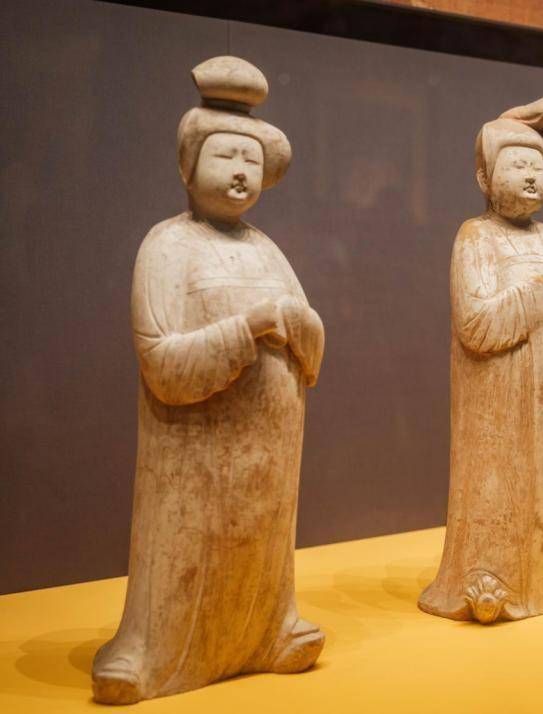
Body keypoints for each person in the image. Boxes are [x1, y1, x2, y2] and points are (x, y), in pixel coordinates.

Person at [92, 56, 324, 704]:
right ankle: (150, 651)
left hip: (269, 453)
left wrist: (298, 325)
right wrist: (248, 328)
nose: (241, 171)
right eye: (224, 155)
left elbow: (312, 345)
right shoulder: (167, 246)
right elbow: (162, 363)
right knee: (185, 552)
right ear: (186, 165)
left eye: (251, 159)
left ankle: (269, 630)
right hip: (193, 457)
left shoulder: (268, 249)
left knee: (263, 543)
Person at [418, 87, 543, 623]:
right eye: (516, 165)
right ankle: (488, 576)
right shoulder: (475, 238)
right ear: (484, 178)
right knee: (498, 486)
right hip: (498, 408)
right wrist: (542, 298)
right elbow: (476, 326)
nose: (530, 176)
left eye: (536, 167)